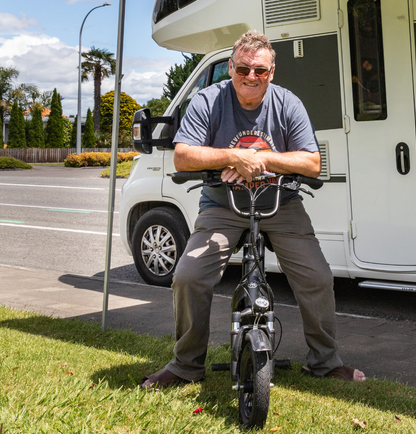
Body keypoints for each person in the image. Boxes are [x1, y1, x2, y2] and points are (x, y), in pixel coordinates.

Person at [140, 31, 365, 389]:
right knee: (188, 276)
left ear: (271, 73)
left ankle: (324, 362)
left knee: (318, 277)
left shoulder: (288, 103)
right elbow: (183, 156)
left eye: (260, 70)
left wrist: (260, 159)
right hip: (221, 204)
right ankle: (186, 365)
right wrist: (233, 156)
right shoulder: (207, 101)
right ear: (230, 68)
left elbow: (312, 163)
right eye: (243, 67)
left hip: (281, 203)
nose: (251, 76)